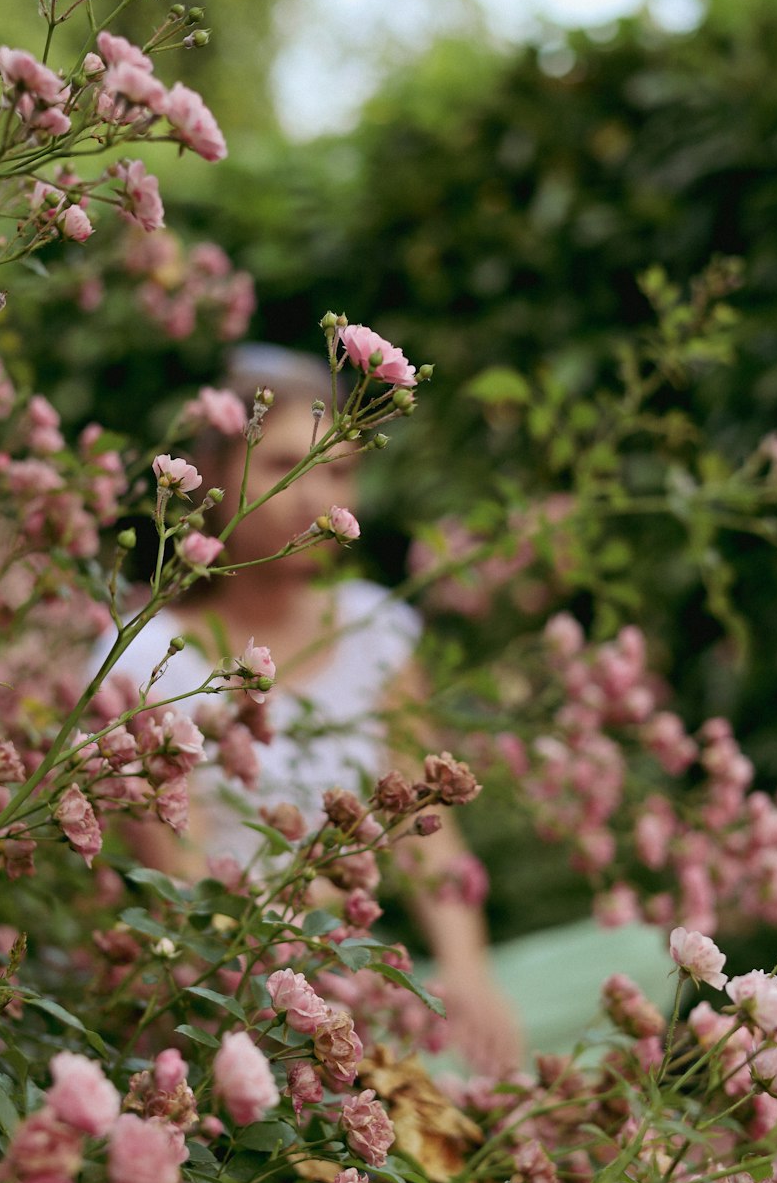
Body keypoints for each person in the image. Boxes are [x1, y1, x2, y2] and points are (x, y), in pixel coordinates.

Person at [96, 344, 523, 1075]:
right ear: (218, 474)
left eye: (342, 470)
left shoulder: (375, 629)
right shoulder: (146, 660)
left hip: (365, 985)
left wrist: (466, 973)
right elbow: (182, 888)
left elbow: (426, 824)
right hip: (221, 1008)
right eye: (281, 464)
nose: (315, 493)